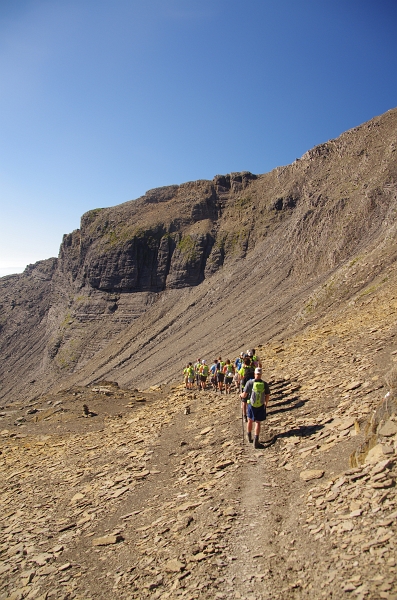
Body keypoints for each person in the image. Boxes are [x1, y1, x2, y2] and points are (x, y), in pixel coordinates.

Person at [240, 367, 270, 448]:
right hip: (260, 405)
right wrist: (265, 404)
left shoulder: (250, 383)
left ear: (255, 374)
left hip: (251, 405)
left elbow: (244, 395)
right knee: (258, 422)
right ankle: (256, 441)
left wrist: (240, 395)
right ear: (261, 374)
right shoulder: (264, 384)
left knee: (250, 420)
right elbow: (267, 395)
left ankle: (249, 436)